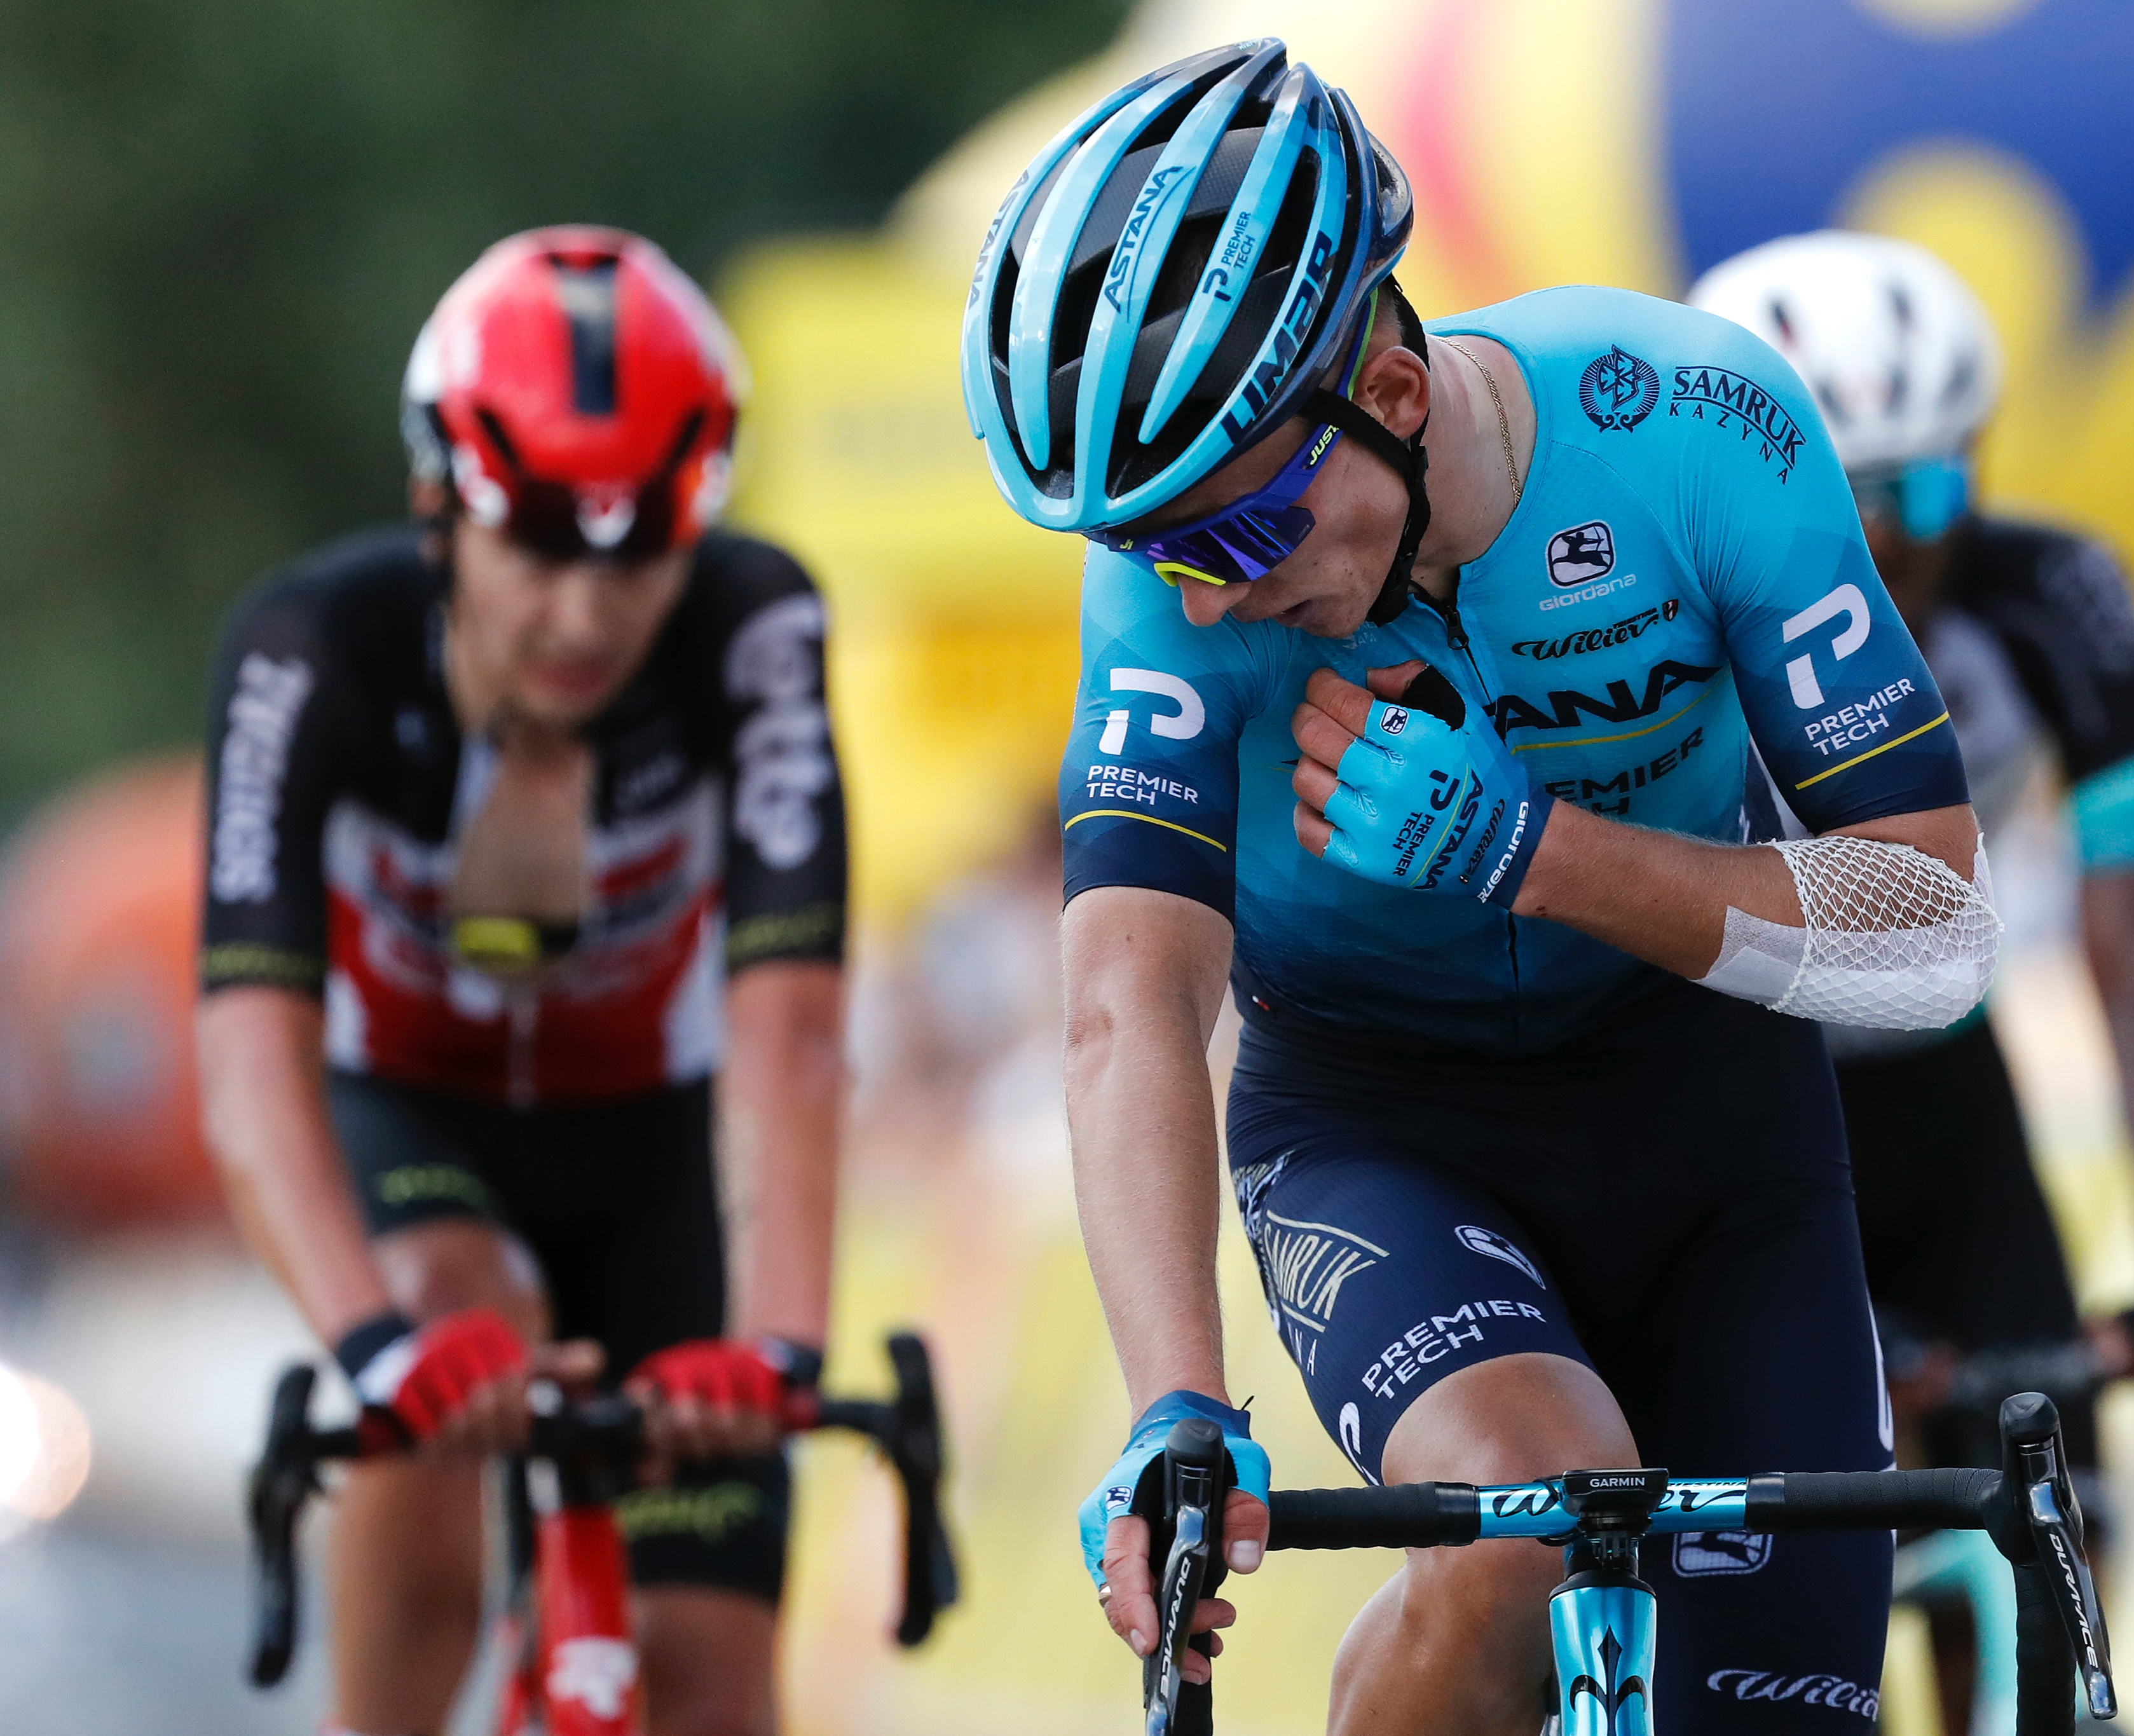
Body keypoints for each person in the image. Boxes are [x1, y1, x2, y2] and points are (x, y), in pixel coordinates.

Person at [962, 43, 2000, 1735]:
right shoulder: (1169, 595)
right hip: (1377, 1115)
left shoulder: (1700, 428)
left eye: (1234, 535)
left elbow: (1937, 937)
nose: (1204, 601)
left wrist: (1536, 853)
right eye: (1153, 550)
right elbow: (1128, 997)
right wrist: (1173, 1405)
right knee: (1535, 1513)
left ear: (1388, 388)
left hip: (1709, 1114)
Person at [196, 226, 849, 1736]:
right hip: (410, 1118)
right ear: (440, 506)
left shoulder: (751, 624)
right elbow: (246, 1060)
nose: (586, 617)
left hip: (649, 1150)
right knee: (456, 1310)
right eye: (542, 549)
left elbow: (793, 1031)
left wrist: (775, 1348)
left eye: (641, 557)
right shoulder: (310, 647)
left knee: (708, 1683)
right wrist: (373, 1348)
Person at [1687, 233, 2134, 1532]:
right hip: (1724, 1090)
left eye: (1928, 488)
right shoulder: (1660, 620)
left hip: (1941, 1075)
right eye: (1844, 497)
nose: (1889, 539)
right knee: (1820, 1542)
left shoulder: (2057, 597)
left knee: (2056, 1511)